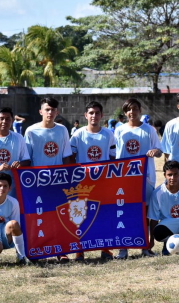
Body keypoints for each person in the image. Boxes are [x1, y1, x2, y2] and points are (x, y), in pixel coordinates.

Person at [24, 97, 72, 263]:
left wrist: (66, 179)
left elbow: (66, 156)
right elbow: (26, 158)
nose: (50, 113)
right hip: (38, 183)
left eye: (53, 110)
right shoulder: (31, 131)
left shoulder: (62, 130)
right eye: (47, 109)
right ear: (40, 111)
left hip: (57, 182)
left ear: (57, 112)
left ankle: (62, 250)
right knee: (38, 218)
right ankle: (37, 250)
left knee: (58, 217)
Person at [113, 98, 162, 259]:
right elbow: (114, 154)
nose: (132, 112)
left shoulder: (149, 130)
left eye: (135, 109)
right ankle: (123, 248)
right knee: (125, 211)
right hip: (125, 178)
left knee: (145, 212)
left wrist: (155, 151)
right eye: (128, 109)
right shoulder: (119, 130)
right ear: (125, 112)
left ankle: (145, 247)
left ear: (140, 110)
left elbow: (159, 150)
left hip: (145, 177)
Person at [70, 101, 116, 261]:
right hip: (82, 183)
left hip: (102, 182)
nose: (94, 116)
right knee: (80, 216)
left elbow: (113, 158)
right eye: (91, 113)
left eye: (97, 113)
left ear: (102, 115)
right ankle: (79, 250)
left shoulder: (108, 134)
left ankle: (105, 249)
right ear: (85, 115)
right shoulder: (77, 135)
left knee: (103, 214)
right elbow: (71, 158)